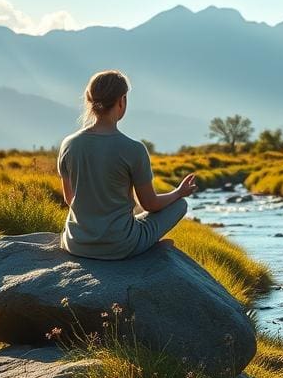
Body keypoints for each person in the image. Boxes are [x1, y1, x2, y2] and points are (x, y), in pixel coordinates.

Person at [57, 70, 197, 259]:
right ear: (122, 101)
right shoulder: (134, 149)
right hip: (121, 246)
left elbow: (69, 199)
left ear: (90, 100)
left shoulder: (69, 144)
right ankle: (151, 250)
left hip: (76, 244)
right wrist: (179, 192)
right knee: (180, 205)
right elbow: (150, 204)